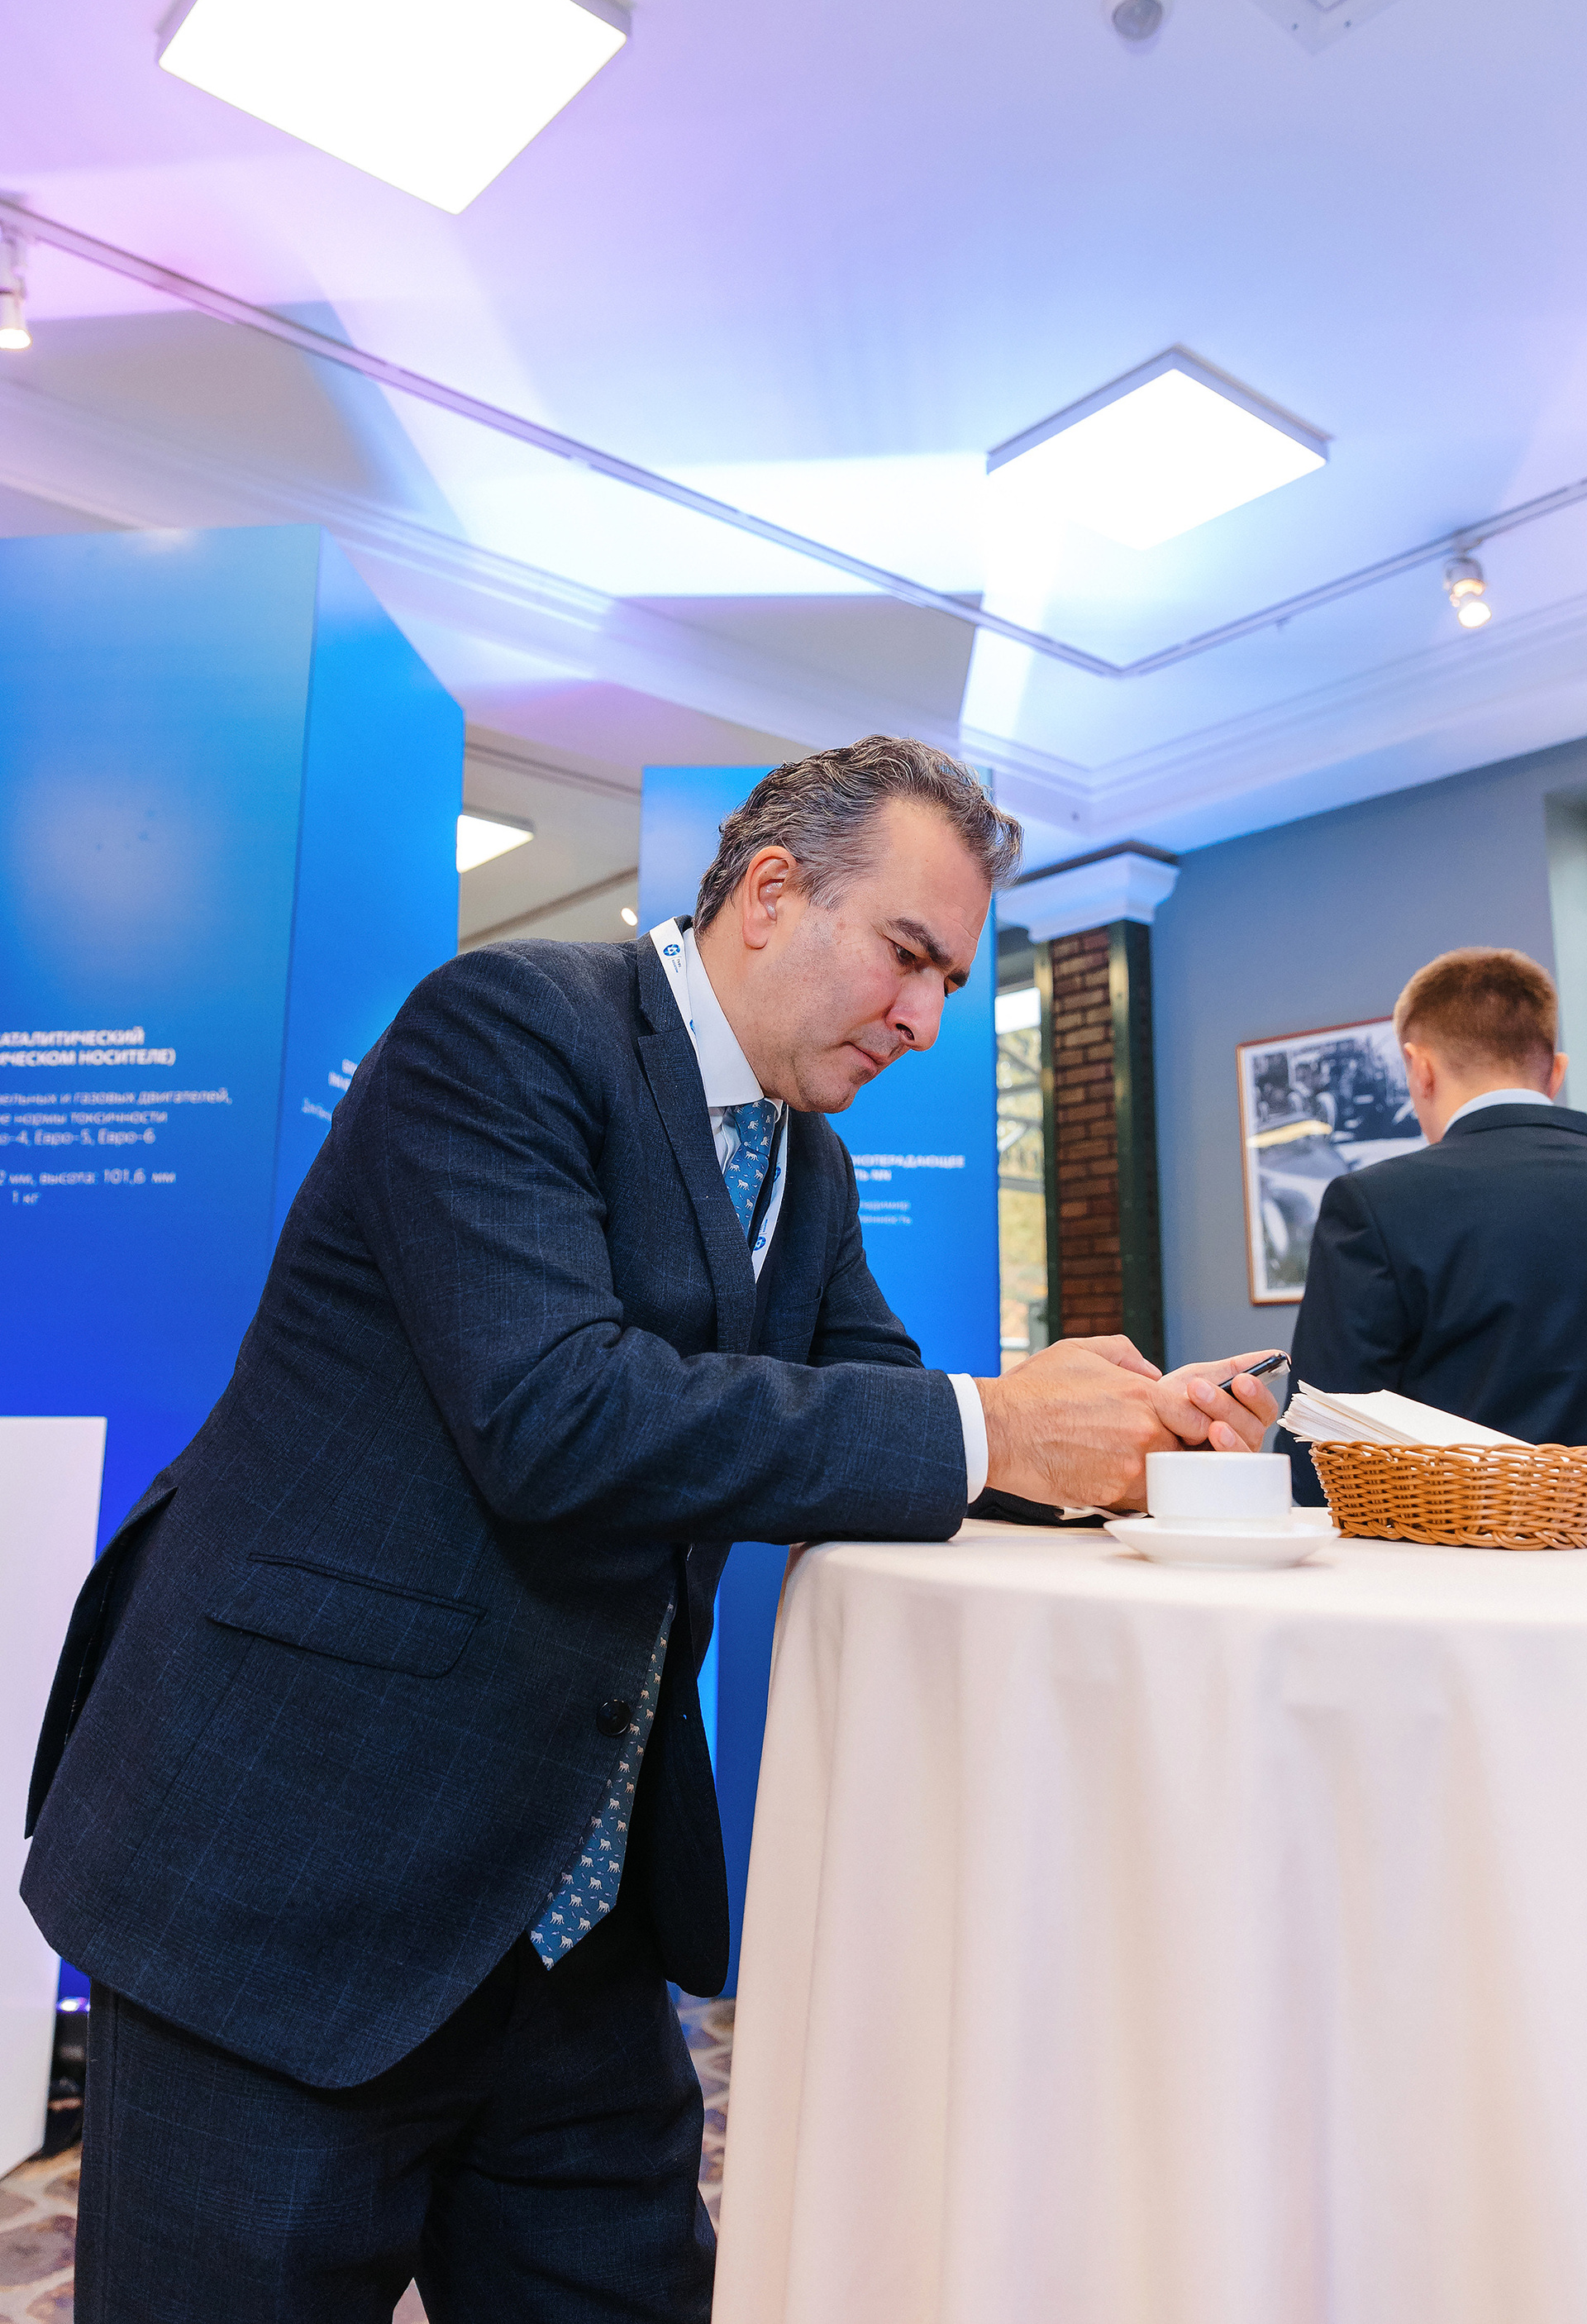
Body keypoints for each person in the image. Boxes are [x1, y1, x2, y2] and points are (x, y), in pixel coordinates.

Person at [23, 737, 1279, 2324]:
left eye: (953, 983)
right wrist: (1002, 1424)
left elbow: (890, 1414)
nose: (924, 1021)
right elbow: (557, 1415)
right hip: (294, 1875)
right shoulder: (501, 1029)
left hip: (573, 1929)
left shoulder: (808, 1166)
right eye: (908, 956)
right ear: (771, 894)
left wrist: (1126, 1442)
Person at [1280, 946, 1587, 1504]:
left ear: (1420, 1068)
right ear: (1556, 1072)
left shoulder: (1375, 1201)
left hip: (1458, 1548)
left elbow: (1321, 1455)